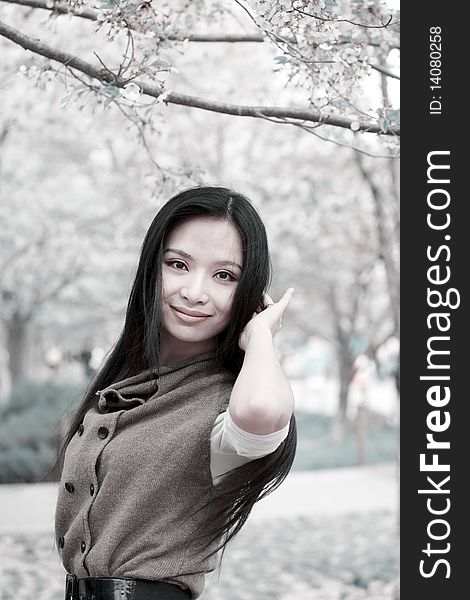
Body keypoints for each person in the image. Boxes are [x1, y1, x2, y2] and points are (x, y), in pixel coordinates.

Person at [54, 186, 297, 600]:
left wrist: (259, 338)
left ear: (248, 291)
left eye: (225, 276)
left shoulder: (225, 410)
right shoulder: (126, 386)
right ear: (152, 267)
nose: (195, 291)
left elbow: (261, 407)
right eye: (178, 264)